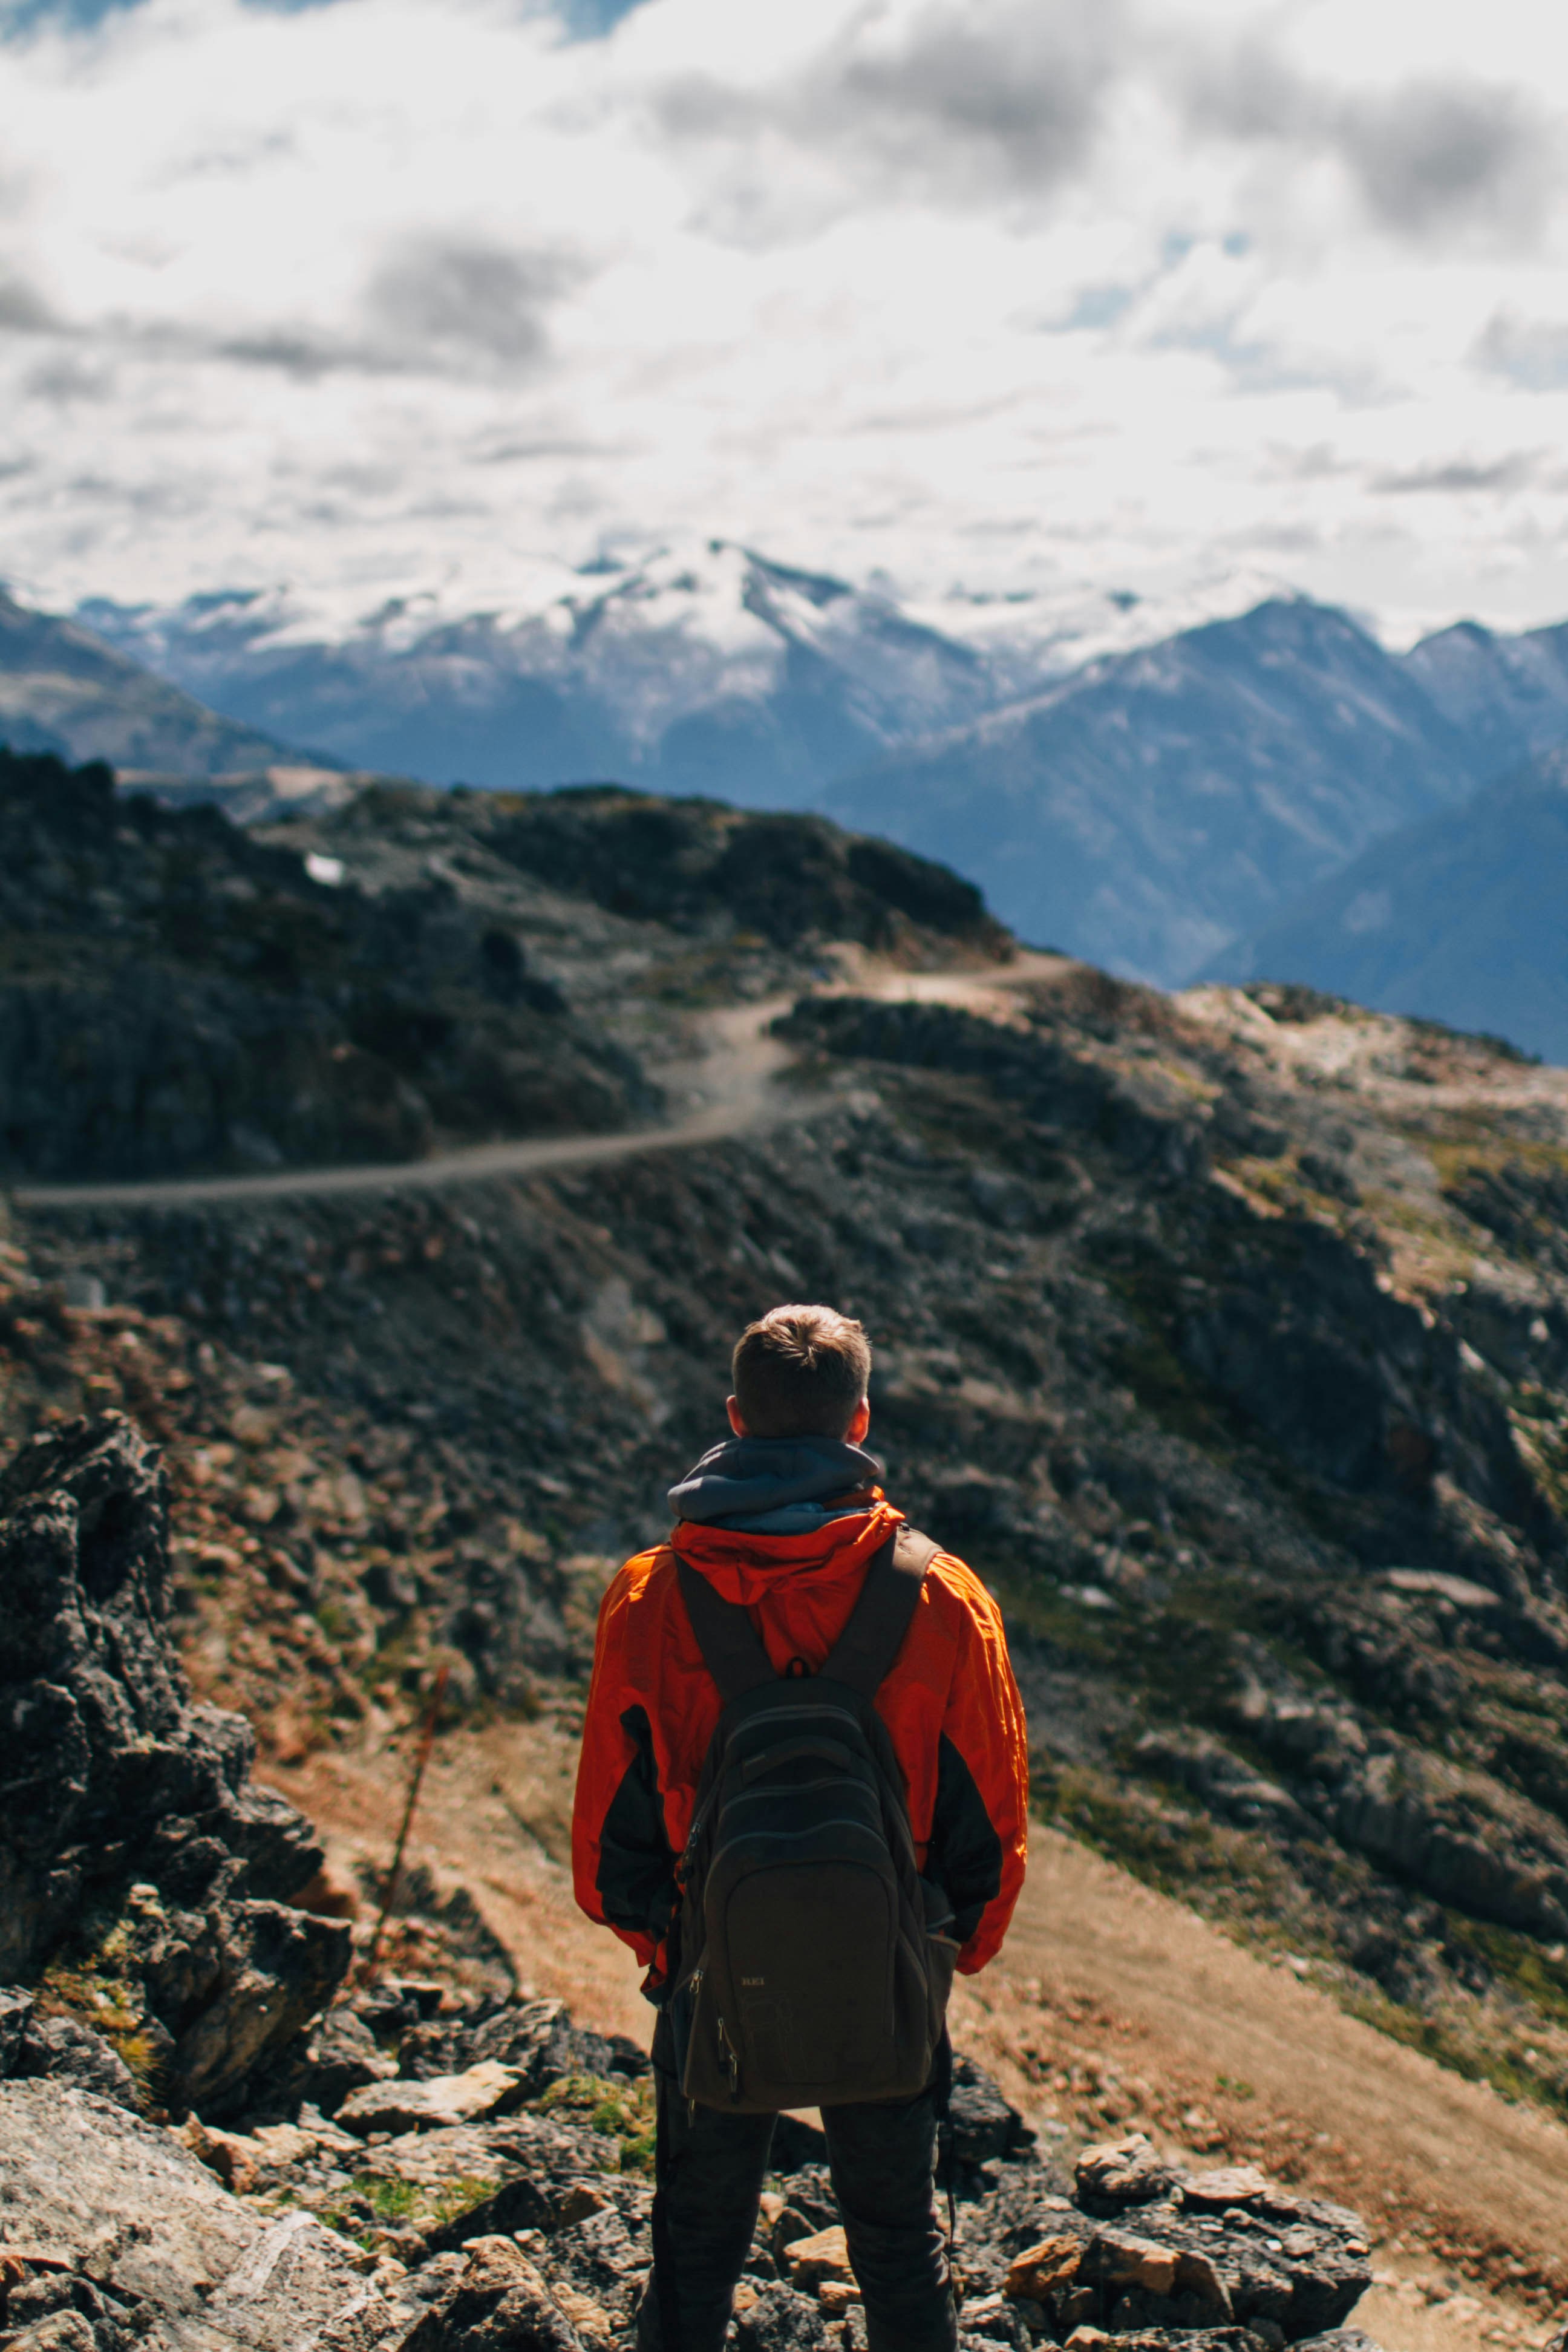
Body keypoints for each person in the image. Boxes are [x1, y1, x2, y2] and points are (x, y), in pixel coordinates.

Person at [572, 1303, 1029, 2352]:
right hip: (887, 1966)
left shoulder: (651, 1598)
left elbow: (609, 1835)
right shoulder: (945, 1598)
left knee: (694, 2248)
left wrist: (672, 1947)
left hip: (715, 1971)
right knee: (900, 2249)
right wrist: (944, 1949)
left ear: (735, 1417)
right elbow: (989, 1823)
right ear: (859, 1425)